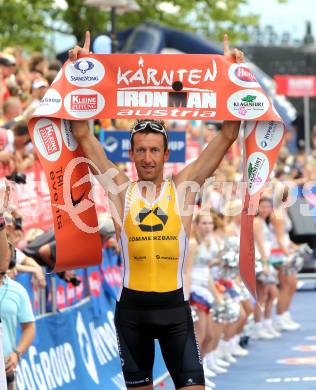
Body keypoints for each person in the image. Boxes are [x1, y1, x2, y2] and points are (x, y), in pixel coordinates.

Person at [69, 31, 243, 390]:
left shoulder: (183, 188)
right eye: (140, 150)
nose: (147, 158)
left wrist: (231, 75)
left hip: (174, 312)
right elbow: (83, 135)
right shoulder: (119, 190)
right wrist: (79, 72)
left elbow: (227, 134)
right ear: (131, 154)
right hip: (131, 313)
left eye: (154, 150)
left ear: (167, 154)